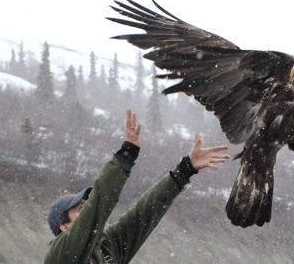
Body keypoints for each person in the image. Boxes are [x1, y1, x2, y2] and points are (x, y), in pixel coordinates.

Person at [44, 109, 230, 264]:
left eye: (87, 205)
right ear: (64, 226)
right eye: (81, 208)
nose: (88, 210)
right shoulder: (60, 256)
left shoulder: (108, 246)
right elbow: (99, 203)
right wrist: (126, 155)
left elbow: (145, 211)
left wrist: (185, 169)